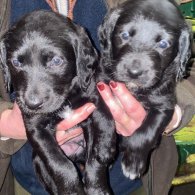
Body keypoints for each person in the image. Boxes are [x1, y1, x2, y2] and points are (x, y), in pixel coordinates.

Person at [0, 0, 194, 195]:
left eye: (56, 61)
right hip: (34, 177)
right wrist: (4, 122)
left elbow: (187, 60)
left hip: (131, 175)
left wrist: (168, 111)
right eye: (17, 61)